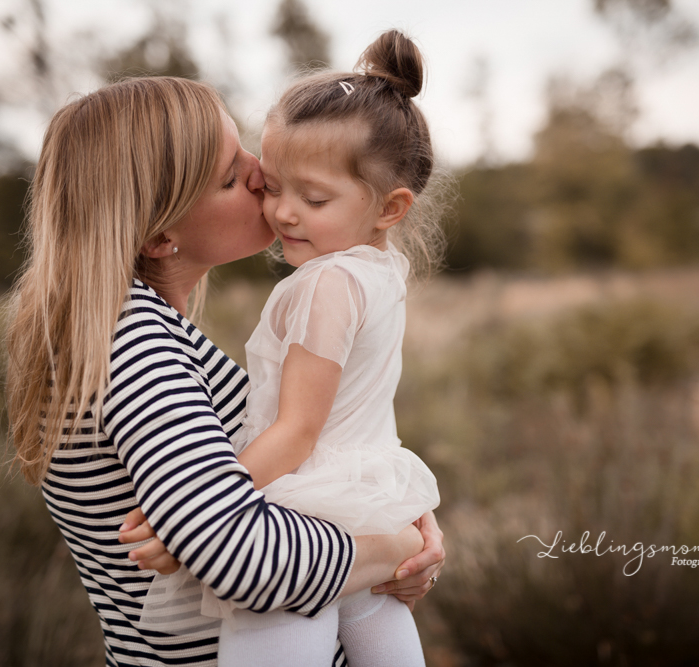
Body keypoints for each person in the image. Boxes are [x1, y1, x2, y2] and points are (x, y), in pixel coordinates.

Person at [3, 74, 444, 667]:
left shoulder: (150, 330)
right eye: (232, 177)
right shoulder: (132, 347)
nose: (262, 172)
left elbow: (309, 454)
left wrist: (404, 527)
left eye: (245, 150)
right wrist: (392, 547)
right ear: (162, 235)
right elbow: (237, 552)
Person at [138, 30, 446, 667]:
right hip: (370, 490)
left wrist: (196, 518)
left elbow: (300, 430)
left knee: (273, 641)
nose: (280, 213)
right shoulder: (379, 271)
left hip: (308, 497)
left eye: (313, 198)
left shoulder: (326, 283)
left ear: (390, 207)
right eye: (271, 185)